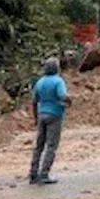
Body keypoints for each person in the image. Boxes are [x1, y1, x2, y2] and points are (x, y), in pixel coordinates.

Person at [28, 57, 72, 185]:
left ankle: (33, 173)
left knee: (39, 146)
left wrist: (36, 117)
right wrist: (69, 101)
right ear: (57, 68)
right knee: (51, 146)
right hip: (55, 114)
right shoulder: (58, 81)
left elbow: (34, 101)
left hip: (42, 114)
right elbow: (62, 96)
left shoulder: (40, 82)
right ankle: (44, 174)